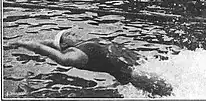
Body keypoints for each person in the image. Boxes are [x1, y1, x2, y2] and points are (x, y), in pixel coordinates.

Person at [9, 29, 172, 96]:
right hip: (130, 72)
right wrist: (24, 43)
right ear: (66, 44)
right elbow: (49, 51)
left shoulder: (77, 45)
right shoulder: (73, 56)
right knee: (168, 91)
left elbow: (52, 43)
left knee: (166, 85)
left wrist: (50, 42)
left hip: (132, 62)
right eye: (69, 34)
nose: (74, 33)